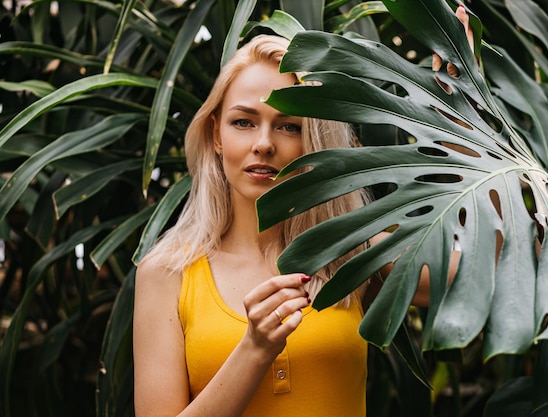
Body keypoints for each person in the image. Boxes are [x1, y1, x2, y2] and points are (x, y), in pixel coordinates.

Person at [133, 6, 472, 417]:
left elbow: (481, 274)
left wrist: (465, 124)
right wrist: (255, 350)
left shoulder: (350, 254)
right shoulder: (167, 274)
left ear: (311, 142)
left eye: (289, 125)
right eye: (243, 122)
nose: (263, 144)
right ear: (215, 134)